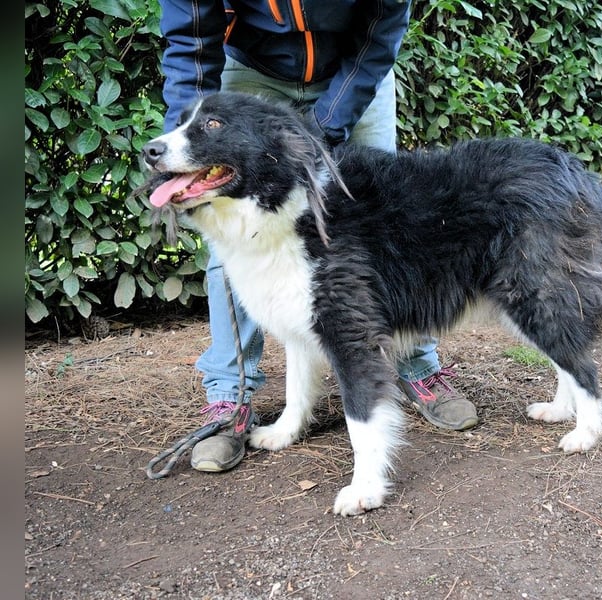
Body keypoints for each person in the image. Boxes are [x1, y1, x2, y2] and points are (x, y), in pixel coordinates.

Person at [157, 0, 479, 473]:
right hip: (251, 72)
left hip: (354, 66)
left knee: (391, 220)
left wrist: (324, 130)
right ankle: (231, 399)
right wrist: (185, 145)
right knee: (237, 237)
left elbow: (382, 25)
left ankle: (417, 364)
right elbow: (191, 38)